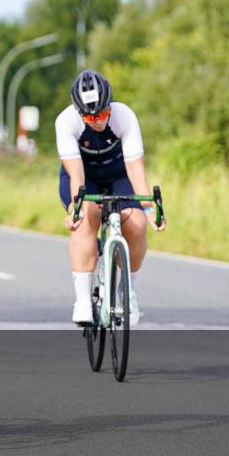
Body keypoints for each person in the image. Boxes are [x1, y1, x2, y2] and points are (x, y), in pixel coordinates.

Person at [55, 69, 166, 327]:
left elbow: (135, 169)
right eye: (89, 117)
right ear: (79, 113)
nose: (97, 121)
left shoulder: (124, 116)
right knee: (86, 218)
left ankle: (128, 293)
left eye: (103, 114)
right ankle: (83, 301)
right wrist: (75, 211)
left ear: (110, 105)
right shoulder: (66, 121)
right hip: (84, 177)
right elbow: (76, 175)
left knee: (136, 224)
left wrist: (149, 210)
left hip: (119, 175)